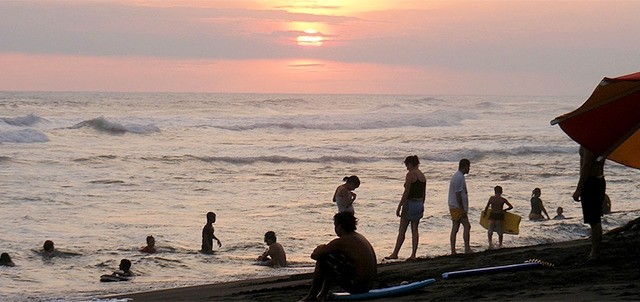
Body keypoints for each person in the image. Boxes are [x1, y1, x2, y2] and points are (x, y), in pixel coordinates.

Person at [300, 212, 377, 301]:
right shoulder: (359, 237)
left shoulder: (342, 241)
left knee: (324, 259)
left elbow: (315, 255)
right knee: (332, 258)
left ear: (339, 227)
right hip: (368, 285)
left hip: (358, 286)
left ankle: (312, 295)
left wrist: (320, 248)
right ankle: (322, 295)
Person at [386, 155, 426, 261]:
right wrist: (422, 205)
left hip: (410, 203)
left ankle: (395, 253)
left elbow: (406, 192)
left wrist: (399, 206)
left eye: (406, 165)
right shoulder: (422, 175)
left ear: (410, 164)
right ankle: (413, 254)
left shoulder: (410, 174)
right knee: (415, 230)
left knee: (402, 229)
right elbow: (424, 193)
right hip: (419, 203)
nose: (406, 167)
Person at [572, 146, 606, 261]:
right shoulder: (597, 140)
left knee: (594, 220)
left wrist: (579, 189)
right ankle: (595, 252)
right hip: (597, 180)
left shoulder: (589, 143)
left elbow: (586, 166)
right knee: (594, 219)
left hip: (591, 182)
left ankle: (595, 253)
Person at [448, 159, 472, 254]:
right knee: (466, 226)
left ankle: (453, 250)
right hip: (457, 207)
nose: (469, 169)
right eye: (468, 167)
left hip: (455, 206)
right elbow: (458, 194)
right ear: (465, 166)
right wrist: (462, 209)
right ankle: (466, 248)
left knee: (455, 227)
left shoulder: (458, 176)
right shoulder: (459, 177)